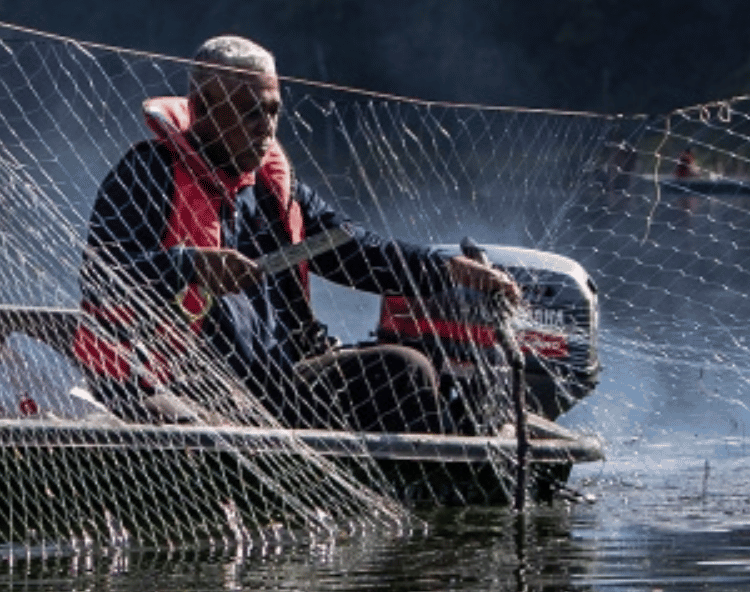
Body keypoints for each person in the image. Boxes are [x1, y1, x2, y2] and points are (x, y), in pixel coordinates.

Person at [75, 35, 519, 433]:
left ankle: (436, 485)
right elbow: (103, 273)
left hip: (282, 382)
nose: (265, 128)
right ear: (203, 108)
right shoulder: (145, 175)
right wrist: (190, 265)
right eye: (250, 112)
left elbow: (356, 251)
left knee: (421, 366)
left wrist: (448, 270)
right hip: (190, 380)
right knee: (400, 370)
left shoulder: (274, 191)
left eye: (272, 111)